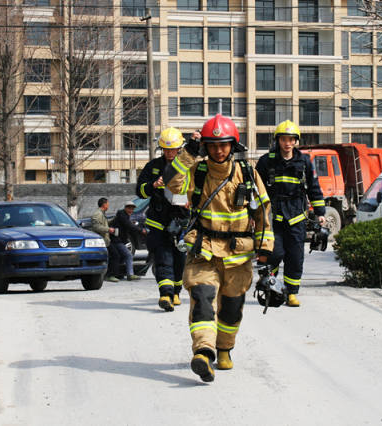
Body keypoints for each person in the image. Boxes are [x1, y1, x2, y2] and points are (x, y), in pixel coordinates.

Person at [163, 114, 273, 382]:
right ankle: (203, 351)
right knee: (202, 298)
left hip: (239, 255)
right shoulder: (197, 172)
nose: (218, 150)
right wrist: (189, 151)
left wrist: (266, 249)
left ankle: (224, 349)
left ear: (233, 145)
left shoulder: (248, 174)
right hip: (204, 250)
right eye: (212, 145)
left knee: (231, 309)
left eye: (223, 145)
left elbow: (263, 214)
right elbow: (171, 181)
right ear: (206, 147)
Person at [255, 120, 326, 307]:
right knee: (274, 253)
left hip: (297, 217)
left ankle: (292, 293)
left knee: (295, 257)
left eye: (291, 139)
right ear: (278, 140)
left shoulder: (304, 162)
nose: (287, 143)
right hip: (274, 217)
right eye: (284, 139)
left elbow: (314, 188)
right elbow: (255, 188)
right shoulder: (266, 161)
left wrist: (320, 212)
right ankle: (273, 285)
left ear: (296, 141)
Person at [136, 128, 190, 312]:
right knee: (162, 257)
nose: (169, 153)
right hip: (157, 221)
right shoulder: (153, 166)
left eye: (173, 149)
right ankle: (165, 294)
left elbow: (197, 189)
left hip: (181, 221)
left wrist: (192, 202)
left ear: (180, 148)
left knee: (179, 258)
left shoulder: (188, 166)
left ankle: (176, 290)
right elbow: (140, 190)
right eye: (166, 150)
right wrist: (152, 185)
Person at [110, 202, 146, 281]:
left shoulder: (125, 216)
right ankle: (130, 274)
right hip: (116, 240)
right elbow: (128, 225)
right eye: (129, 208)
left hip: (119, 240)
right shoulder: (122, 215)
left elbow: (128, 225)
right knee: (128, 255)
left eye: (132, 209)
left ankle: (119, 273)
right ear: (125, 208)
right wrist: (141, 230)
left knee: (122, 256)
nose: (131, 210)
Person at [91, 197, 120, 282]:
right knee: (115, 255)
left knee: (112, 256)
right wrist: (108, 230)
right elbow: (96, 227)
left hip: (106, 241)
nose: (108, 205)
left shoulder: (102, 213)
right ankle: (110, 275)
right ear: (104, 204)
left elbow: (104, 224)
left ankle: (108, 274)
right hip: (102, 241)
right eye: (107, 204)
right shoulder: (98, 214)